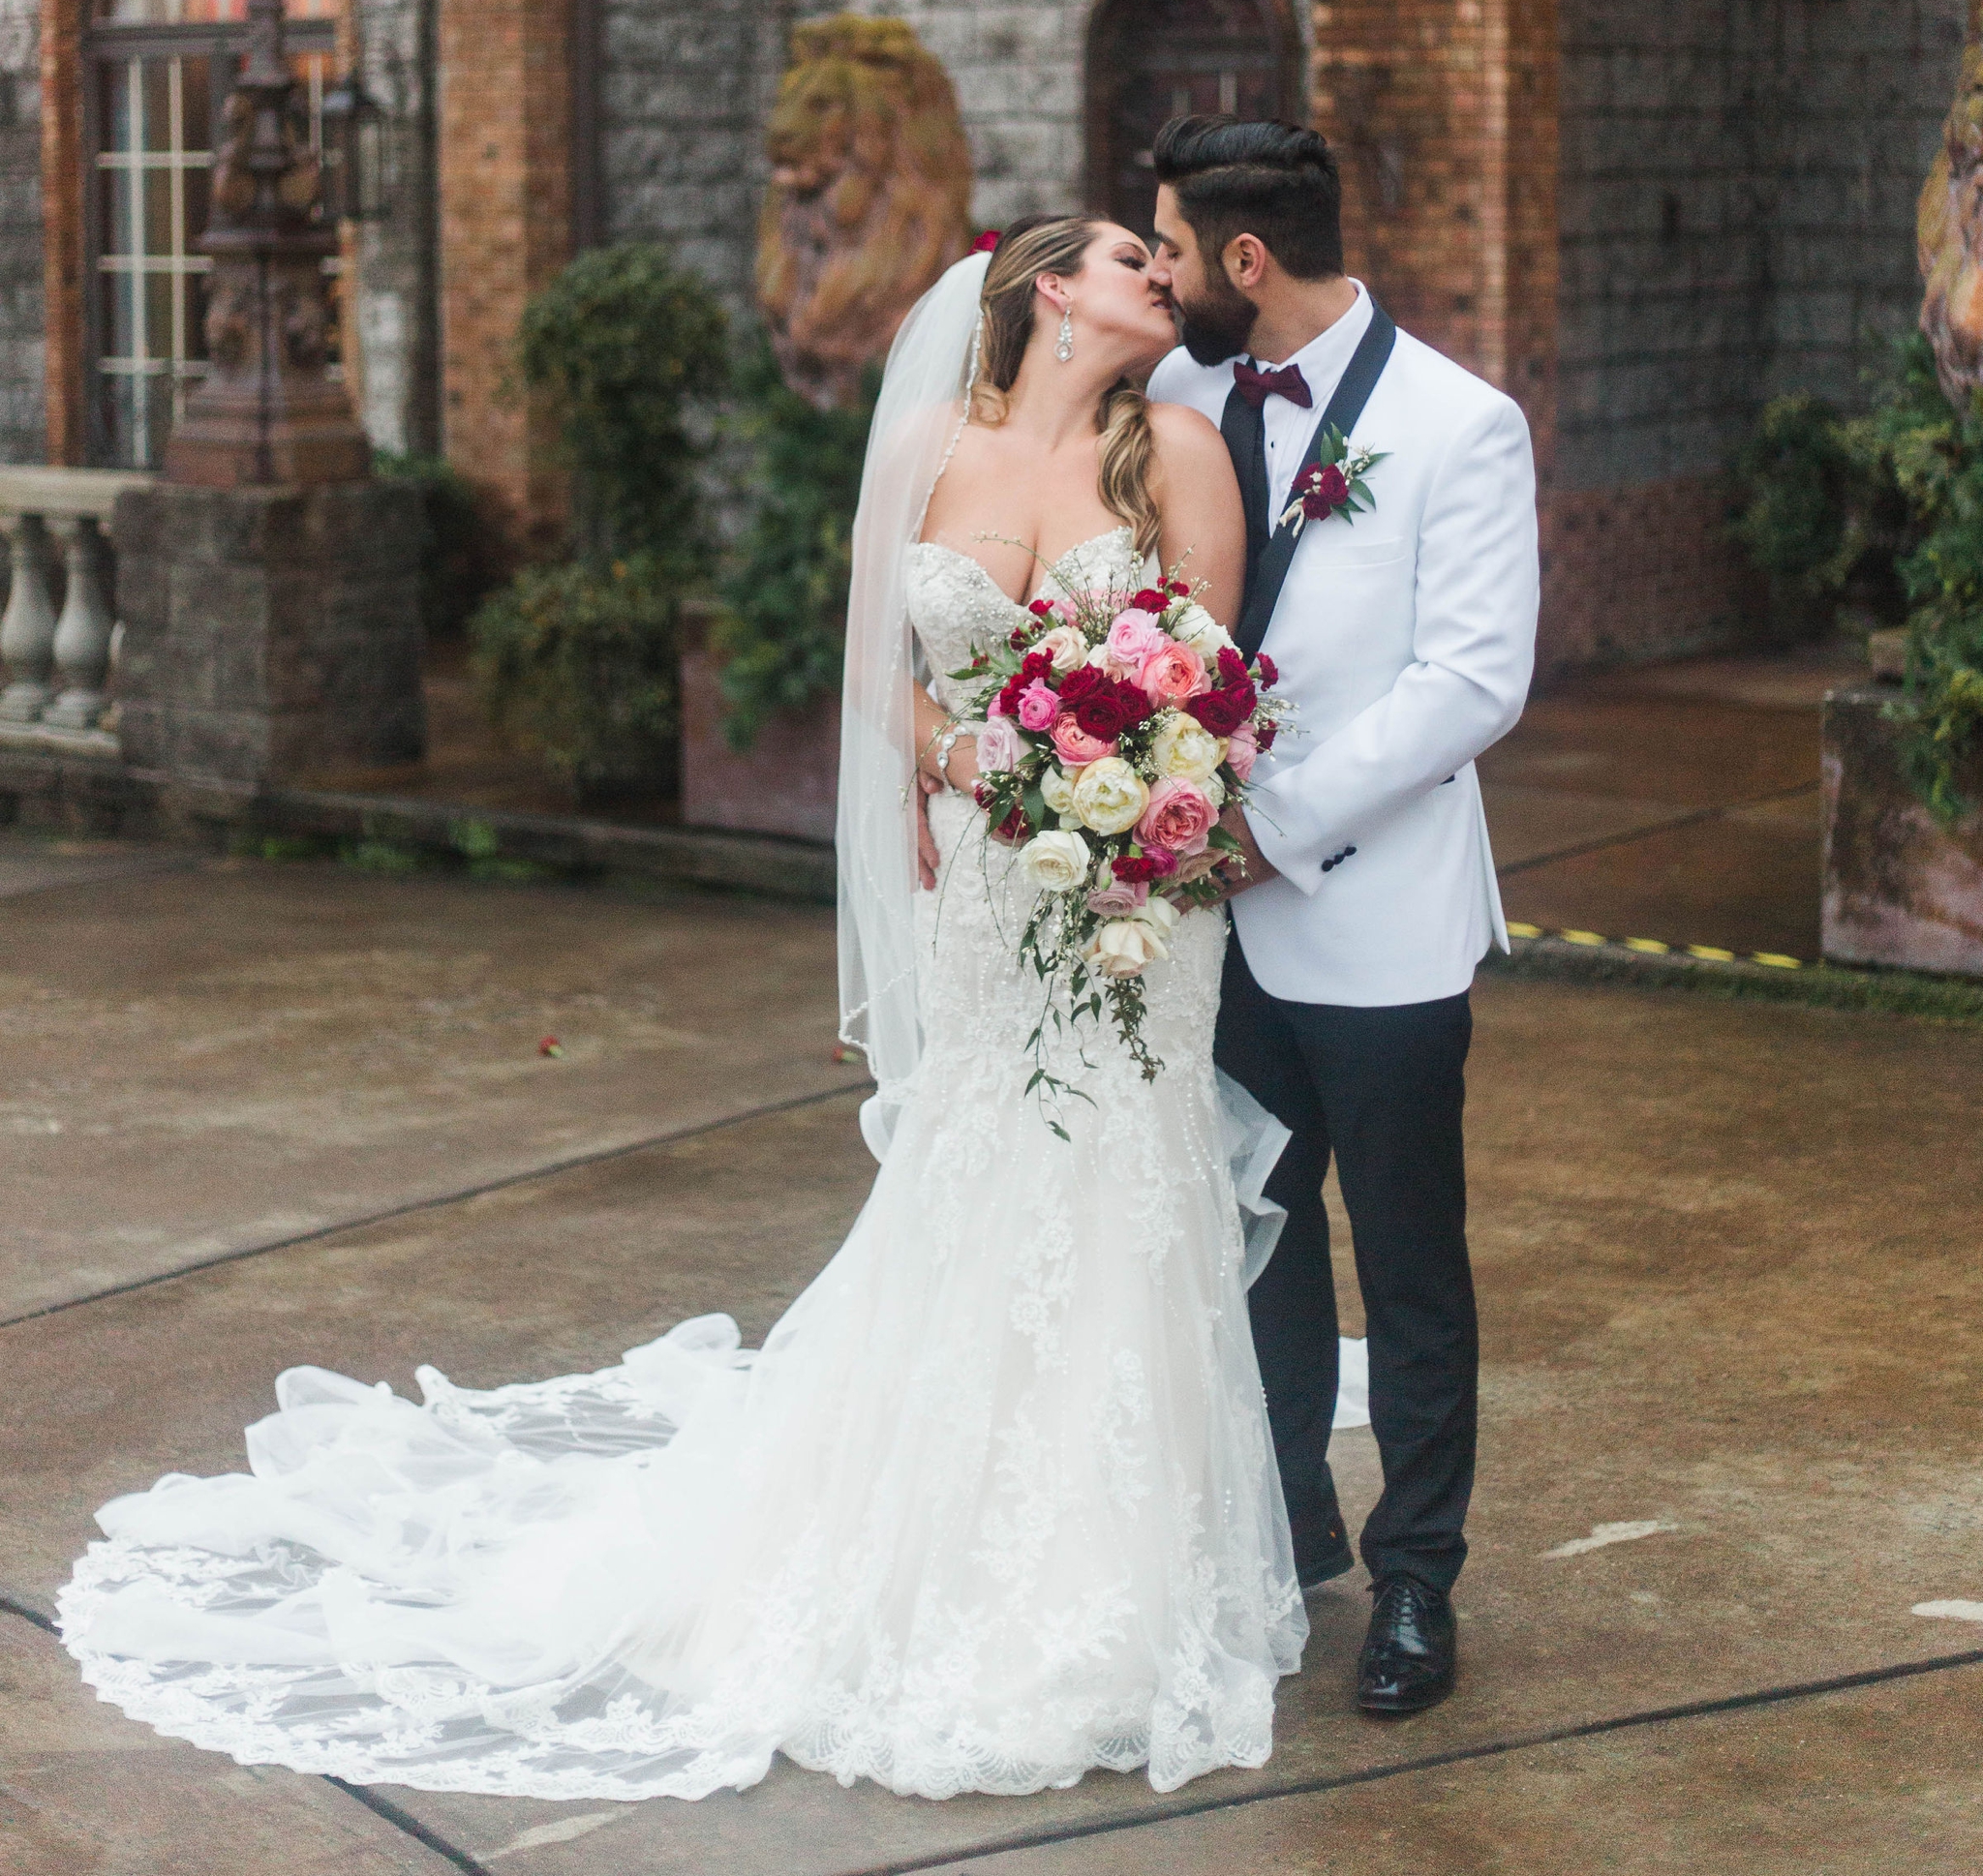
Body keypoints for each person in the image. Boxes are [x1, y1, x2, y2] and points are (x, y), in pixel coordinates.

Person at [58, 218, 1308, 1805]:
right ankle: (921, 1538)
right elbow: (887, 672)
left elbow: (1205, 671)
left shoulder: (1181, 454)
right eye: (1132, 254)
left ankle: (1118, 1583)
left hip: (1135, 884)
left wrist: (1135, 787)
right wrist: (971, 762)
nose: (1162, 275)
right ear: (1048, 288)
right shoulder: (933, 441)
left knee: (1127, 1173)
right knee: (987, 1165)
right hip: (996, 872)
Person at [1147, 114, 1539, 1720]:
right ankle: (1292, 1524)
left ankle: (1418, 1583)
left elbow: (1474, 682)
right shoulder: (1176, 403)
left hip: (1375, 926)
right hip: (1206, 928)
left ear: (1248, 260)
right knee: (1256, 1235)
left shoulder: (1463, 425)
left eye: (1170, 248)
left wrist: (1274, 824)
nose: (1160, 275)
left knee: (1411, 1260)